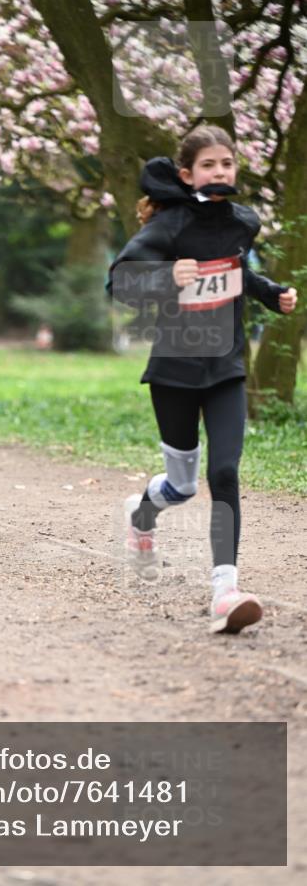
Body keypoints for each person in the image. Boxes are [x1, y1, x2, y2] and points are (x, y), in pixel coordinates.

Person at [107, 125, 298, 634]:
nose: (220, 173)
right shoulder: (169, 226)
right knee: (184, 484)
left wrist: (269, 292)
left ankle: (225, 590)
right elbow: (119, 281)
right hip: (174, 369)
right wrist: (167, 275)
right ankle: (142, 513)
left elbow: (235, 269)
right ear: (188, 174)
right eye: (209, 166)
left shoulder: (242, 222)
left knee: (226, 473)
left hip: (226, 367)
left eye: (227, 165)